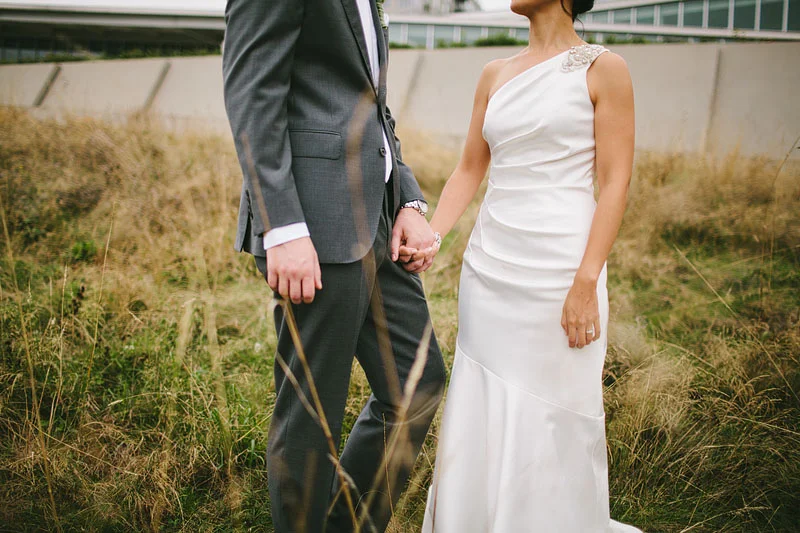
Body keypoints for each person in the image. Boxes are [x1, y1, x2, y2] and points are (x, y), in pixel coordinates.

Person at [412, 0, 641, 530]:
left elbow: (615, 182)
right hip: (490, 269)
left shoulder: (604, 68)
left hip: (563, 267)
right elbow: (469, 168)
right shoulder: (494, 73)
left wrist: (586, 280)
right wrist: (434, 234)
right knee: (481, 398)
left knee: (557, 404)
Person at [221, 1, 446, 532]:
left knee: (419, 385)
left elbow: (373, 107)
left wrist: (409, 200)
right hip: (312, 226)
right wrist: (282, 226)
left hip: (377, 215)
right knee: (311, 412)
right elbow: (252, 93)